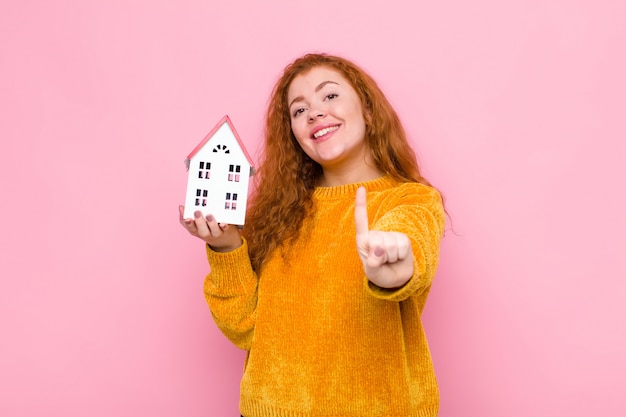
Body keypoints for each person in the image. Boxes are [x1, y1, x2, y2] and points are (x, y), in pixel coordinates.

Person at [179, 53, 446, 417]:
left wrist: (394, 268)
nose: (315, 113)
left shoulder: (411, 200)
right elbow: (244, 329)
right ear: (294, 134)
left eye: (330, 96)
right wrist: (226, 247)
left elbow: (411, 238)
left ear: (367, 109)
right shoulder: (278, 214)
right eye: (299, 110)